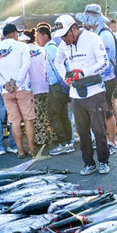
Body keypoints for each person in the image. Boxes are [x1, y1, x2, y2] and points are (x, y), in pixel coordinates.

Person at [52, 14, 111, 175]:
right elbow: (57, 62)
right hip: (76, 93)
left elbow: (104, 62)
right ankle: (88, 163)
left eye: (65, 35)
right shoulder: (64, 44)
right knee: (82, 131)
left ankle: (104, 161)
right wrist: (66, 77)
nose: (64, 39)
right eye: (61, 36)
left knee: (99, 130)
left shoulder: (92, 38)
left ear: (74, 28)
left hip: (95, 91)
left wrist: (84, 72)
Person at [0, 23, 34, 158]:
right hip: (23, 88)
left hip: (6, 92)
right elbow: (26, 65)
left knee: (14, 121)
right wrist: (17, 82)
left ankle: (19, 151)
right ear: (15, 33)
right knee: (28, 120)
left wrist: (5, 85)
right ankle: (31, 150)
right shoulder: (22, 46)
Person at [81, 4, 117, 154]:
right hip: (102, 78)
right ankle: (105, 140)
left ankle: (112, 143)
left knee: (107, 111)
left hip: (106, 78)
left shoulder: (103, 34)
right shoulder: (98, 31)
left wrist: (97, 77)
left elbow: (106, 61)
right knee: (102, 111)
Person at [41, 25, 74, 156]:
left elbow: (57, 68)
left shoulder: (49, 49)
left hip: (57, 86)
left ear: (44, 36)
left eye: (38, 36)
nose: (37, 39)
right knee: (63, 114)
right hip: (61, 86)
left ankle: (64, 143)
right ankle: (68, 142)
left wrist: (64, 84)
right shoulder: (53, 47)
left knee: (54, 115)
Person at [26, 28, 57, 147]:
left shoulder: (24, 52)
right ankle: (53, 136)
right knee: (49, 114)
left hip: (34, 88)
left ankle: (40, 139)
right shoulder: (42, 50)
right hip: (46, 85)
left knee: (38, 116)